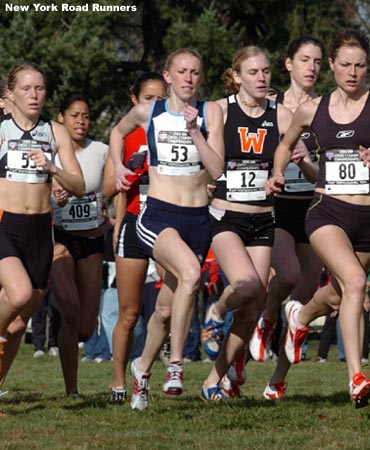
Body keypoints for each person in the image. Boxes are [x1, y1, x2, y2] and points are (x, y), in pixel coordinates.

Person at [267, 31, 370, 408]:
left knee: (338, 295)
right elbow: (286, 144)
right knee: (355, 283)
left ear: (368, 67)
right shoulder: (312, 110)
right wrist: (276, 173)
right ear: (333, 67)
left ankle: (299, 319)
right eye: (345, 65)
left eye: (360, 65)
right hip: (327, 211)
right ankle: (357, 376)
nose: (353, 73)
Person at [109, 48, 225, 410]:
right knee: (191, 273)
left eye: (195, 72)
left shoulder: (210, 113)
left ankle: (141, 368)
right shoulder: (150, 111)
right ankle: (175, 364)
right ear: (169, 76)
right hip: (157, 215)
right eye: (182, 71)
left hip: (197, 219)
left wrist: (195, 131)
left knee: (164, 308)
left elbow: (218, 170)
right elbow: (117, 131)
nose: (189, 78)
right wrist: (117, 167)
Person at [198, 46, 293, 401]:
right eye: (253, 72)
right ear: (236, 76)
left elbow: (297, 146)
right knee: (247, 283)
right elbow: (214, 162)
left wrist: (282, 170)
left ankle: (212, 381)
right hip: (227, 215)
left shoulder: (280, 114)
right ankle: (217, 309)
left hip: (263, 218)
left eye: (266, 71)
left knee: (254, 305)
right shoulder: (220, 110)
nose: (262, 78)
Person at [0, 63, 85, 393]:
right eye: (25, 89)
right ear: (11, 94)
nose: (34, 95)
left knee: (21, 321)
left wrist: (53, 169)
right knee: (18, 294)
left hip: (40, 230)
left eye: (39, 88)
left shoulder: (54, 131)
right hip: (5, 223)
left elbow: (78, 184)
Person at [256, 36, 325, 401]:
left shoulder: (328, 110)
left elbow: (324, 175)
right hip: (277, 206)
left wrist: (305, 162)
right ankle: (264, 321)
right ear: (288, 64)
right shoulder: (269, 107)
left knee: (304, 299)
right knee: (285, 277)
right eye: (304, 60)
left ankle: (278, 377)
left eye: (316, 61)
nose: (311, 67)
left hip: (313, 207)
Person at [108, 72, 167, 403]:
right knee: (128, 314)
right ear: (135, 100)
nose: (155, 104)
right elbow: (116, 185)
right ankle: (118, 380)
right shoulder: (126, 133)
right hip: (132, 222)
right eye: (148, 98)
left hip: (165, 222)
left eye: (161, 97)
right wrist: (117, 219)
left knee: (169, 302)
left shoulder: (175, 130)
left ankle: (155, 367)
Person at [50, 93, 113, 398]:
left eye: (86, 116)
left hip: (91, 240)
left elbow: (114, 184)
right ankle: (71, 390)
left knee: (85, 329)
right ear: (61, 118)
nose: (81, 121)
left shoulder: (101, 151)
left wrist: (108, 205)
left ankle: (65, 329)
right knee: (71, 314)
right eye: (74, 115)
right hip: (59, 240)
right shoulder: (50, 152)